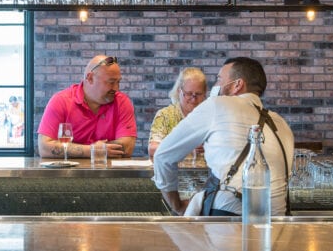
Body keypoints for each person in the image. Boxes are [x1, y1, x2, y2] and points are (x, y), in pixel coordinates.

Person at [152, 56, 294, 216]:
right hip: (276, 223)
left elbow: (163, 156)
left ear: (237, 85)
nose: (216, 85)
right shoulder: (281, 124)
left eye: (219, 79)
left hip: (228, 217)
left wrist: (177, 205)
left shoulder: (217, 105)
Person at [37, 55, 137, 159]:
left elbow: (127, 147)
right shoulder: (61, 101)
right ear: (90, 78)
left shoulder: (122, 102)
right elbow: (44, 148)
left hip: (109, 173)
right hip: (68, 173)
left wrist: (80, 149)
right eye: (111, 82)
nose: (116, 88)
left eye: (118, 82)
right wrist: (90, 150)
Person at [148, 67, 207, 159]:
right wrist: (186, 148)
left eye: (198, 94)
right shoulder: (165, 115)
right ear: (179, 91)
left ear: (204, 94)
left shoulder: (210, 116)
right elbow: (152, 149)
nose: (194, 99)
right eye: (188, 94)